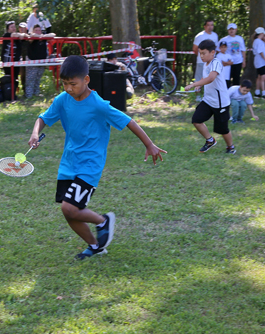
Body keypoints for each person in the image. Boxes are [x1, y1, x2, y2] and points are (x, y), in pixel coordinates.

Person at [27, 55, 166, 260]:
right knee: (69, 212)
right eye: (65, 84)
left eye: (73, 84)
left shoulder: (99, 105)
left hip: (89, 166)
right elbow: (43, 118)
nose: (68, 88)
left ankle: (103, 221)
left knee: (69, 207)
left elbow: (128, 121)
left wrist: (149, 144)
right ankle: (95, 246)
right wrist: (35, 133)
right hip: (68, 163)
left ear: (86, 80)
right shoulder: (63, 100)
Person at [184, 39, 236, 154]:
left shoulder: (216, 62)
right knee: (196, 120)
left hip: (220, 103)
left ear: (213, 52)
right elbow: (205, 78)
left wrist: (193, 84)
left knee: (222, 129)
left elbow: (211, 78)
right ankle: (210, 140)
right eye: (200, 53)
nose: (201, 56)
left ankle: (230, 147)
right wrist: (199, 85)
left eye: (204, 53)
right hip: (208, 100)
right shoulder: (206, 64)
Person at [26, 24, 55, 98]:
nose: (38, 32)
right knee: (30, 80)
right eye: (36, 30)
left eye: (39, 30)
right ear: (33, 31)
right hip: (32, 61)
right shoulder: (31, 37)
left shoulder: (43, 37)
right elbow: (31, 37)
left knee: (38, 79)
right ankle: (29, 96)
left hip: (42, 62)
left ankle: (36, 94)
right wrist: (39, 36)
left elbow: (53, 35)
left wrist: (42, 36)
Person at [192, 19, 218, 100]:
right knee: (199, 78)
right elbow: (195, 48)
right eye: (208, 25)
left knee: (211, 79)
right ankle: (198, 96)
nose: (210, 27)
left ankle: (210, 96)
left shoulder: (215, 35)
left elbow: (215, 48)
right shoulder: (200, 36)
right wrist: (202, 56)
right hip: (201, 62)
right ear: (204, 26)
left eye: (212, 25)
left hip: (212, 62)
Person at [252, 27, 265, 99]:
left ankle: (257, 92)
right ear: (261, 33)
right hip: (260, 62)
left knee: (259, 77)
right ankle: (263, 93)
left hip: (260, 62)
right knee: (263, 77)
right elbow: (261, 52)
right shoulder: (258, 41)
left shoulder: (258, 41)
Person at [18, 22, 29, 93]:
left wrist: (24, 35)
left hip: (28, 58)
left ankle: (27, 91)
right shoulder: (16, 36)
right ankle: (21, 90)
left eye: (23, 28)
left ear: (26, 28)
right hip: (19, 58)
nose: (21, 29)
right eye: (20, 28)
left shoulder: (29, 36)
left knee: (27, 75)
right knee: (22, 75)